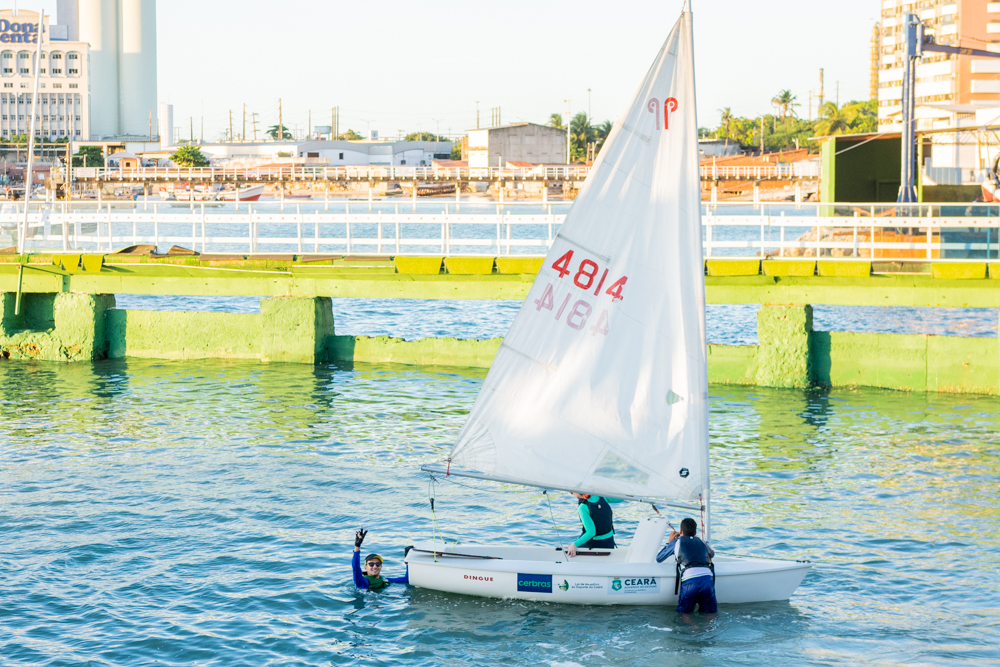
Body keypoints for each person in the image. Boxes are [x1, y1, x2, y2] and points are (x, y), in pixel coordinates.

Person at [657, 517, 716, 614]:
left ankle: (694, 627)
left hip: (690, 581)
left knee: (684, 614)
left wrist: (670, 542)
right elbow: (712, 554)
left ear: (680, 531)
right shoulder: (702, 542)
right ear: (695, 532)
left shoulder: (677, 542)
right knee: (710, 614)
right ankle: (708, 628)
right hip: (707, 580)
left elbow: (659, 558)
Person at [352, 526, 409, 591]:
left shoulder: (385, 580)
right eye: (371, 564)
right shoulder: (363, 583)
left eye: (378, 564)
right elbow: (355, 568)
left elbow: (407, 580)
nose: (375, 566)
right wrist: (357, 546)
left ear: (381, 566)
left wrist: (408, 561)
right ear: (365, 567)